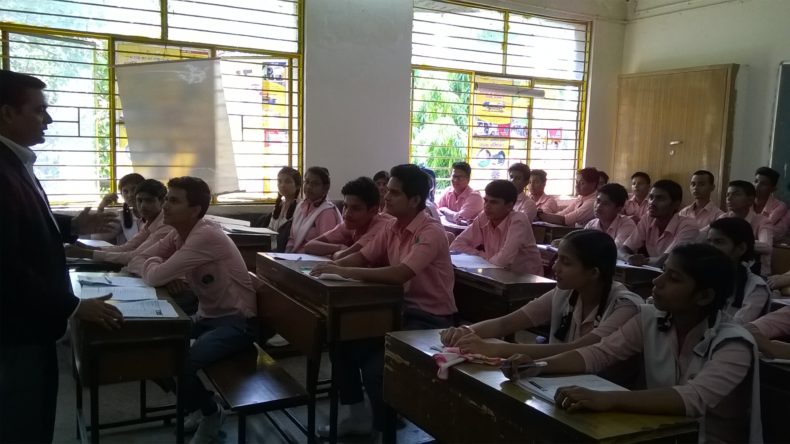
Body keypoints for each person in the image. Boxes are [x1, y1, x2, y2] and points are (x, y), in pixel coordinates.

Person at [507, 244, 761, 444]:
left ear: (704, 296)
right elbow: (600, 353)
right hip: (658, 432)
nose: (656, 283)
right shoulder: (651, 318)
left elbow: (693, 398)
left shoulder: (734, 343)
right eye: (662, 273)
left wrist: (610, 399)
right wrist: (538, 366)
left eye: (673, 278)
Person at [0, 70, 123, 444]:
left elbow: (23, 225)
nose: (48, 119)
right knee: (22, 427)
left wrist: (71, 226)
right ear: (7, 113)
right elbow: (6, 267)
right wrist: (72, 306)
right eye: (39, 110)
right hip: (14, 333)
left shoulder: (14, 162)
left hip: (29, 326)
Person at [309, 164, 457, 437]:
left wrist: (344, 271)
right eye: (387, 190)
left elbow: (401, 273)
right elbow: (364, 255)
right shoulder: (393, 227)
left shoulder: (430, 232)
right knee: (341, 341)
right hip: (395, 311)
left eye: (394, 193)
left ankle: (386, 426)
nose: (386, 197)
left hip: (429, 319)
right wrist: (331, 267)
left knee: (378, 368)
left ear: (414, 200)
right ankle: (357, 415)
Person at [127, 177, 257, 444]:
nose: (165, 206)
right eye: (166, 199)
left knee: (179, 362)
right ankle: (201, 406)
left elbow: (153, 274)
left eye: (173, 200)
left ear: (195, 209)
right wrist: (152, 263)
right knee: (151, 349)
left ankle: (210, 413)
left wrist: (152, 264)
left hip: (237, 322)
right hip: (207, 316)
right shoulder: (179, 232)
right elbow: (136, 259)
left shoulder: (205, 235)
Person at [442, 230, 641, 359]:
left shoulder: (624, 305)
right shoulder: (565, 292)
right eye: (557, 259)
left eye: (566, 262)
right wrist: (466, 331)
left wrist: (497, 349)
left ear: (594, 272)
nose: (555, 267)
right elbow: (507, 323)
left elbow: (576, 350)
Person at [65, 179, 173, 266]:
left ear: (163, 201)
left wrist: (85, 253)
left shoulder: (166, 224)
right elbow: (126, 247)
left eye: (149, 200)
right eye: (139, 200)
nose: (143, 206)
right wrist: (88, 248)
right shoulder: (149, 221)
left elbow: (135, 256)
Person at [450, 180, 542, 275]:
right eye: (485, 201)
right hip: (497, 276)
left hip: (527, 282)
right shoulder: (484, 216)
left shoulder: (518, 220)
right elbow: (455, 245)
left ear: (509, 206)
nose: (487, 206)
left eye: (494, 202)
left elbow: (503, 261)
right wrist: (481, 255)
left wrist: (483, 258)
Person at [304, 177, 390, 260]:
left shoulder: (382, 225)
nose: (346, 214)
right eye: (345, 206)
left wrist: (338, 252)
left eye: (355, 208)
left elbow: (343, 257)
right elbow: (309, 246)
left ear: (373, 211)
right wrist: (339, 247)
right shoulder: (350, 224)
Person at [621, 180, 699, 267]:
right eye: (651, 197)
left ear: (676, 204)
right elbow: (623, 249)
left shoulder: (688, 226)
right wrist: (628, 257)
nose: (652, 203)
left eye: (660, 199)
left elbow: (666, 261)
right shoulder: (648, 218)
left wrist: (641, 261)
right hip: (653, 272)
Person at [706, 218, 771, 323]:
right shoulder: (702, 278)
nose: (710, 248)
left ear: (741, 248)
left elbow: (736, 327)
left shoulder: (756, 287)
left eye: (719, 242)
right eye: (709, 242)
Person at [717, 180, 773, 275]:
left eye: (735, 194)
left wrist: (732, 242)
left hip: (758, 275)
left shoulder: (762, 221)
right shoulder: (723, 218)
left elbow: (766, 247)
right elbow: (701, 236)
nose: (729, 198)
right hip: (727, 272)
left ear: (750, 200)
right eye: (727, 195)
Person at [285, 166, 341, 253]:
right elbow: (292, 238)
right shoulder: (301, 206)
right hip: (295, 257)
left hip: (314, 260)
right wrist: (285, 256)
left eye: (315, 184)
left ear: (325, 188)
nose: (309, 187)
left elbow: (327, 246)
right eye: (306, 182)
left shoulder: (326, 212)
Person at [92, 172, 145, 245]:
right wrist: (101, 207)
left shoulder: (157, 213)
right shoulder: (124, 216)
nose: (130, 195)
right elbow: (97, 237)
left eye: (134, 189)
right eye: (125, 191)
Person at [583, 183, 636, 249]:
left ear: (618, 209)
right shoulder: (591, 225)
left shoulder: (627, 224)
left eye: (606, 204)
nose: (598, 207)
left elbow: (615, 250)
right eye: (598, 201)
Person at [267, 166, 301, 252]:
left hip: (289, 250)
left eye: (288, 181)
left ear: (297, 186)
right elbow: (271, 230)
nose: (282, 185)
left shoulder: (301, 207)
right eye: (279, 181)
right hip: (273, 248)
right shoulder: (279, 205)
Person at [754, 166, 789, 238]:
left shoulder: (780, 206)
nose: (757, 186)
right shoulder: (745, 202)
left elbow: (774, 231)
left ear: (773, 189)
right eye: (756, 181)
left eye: (763, 184)